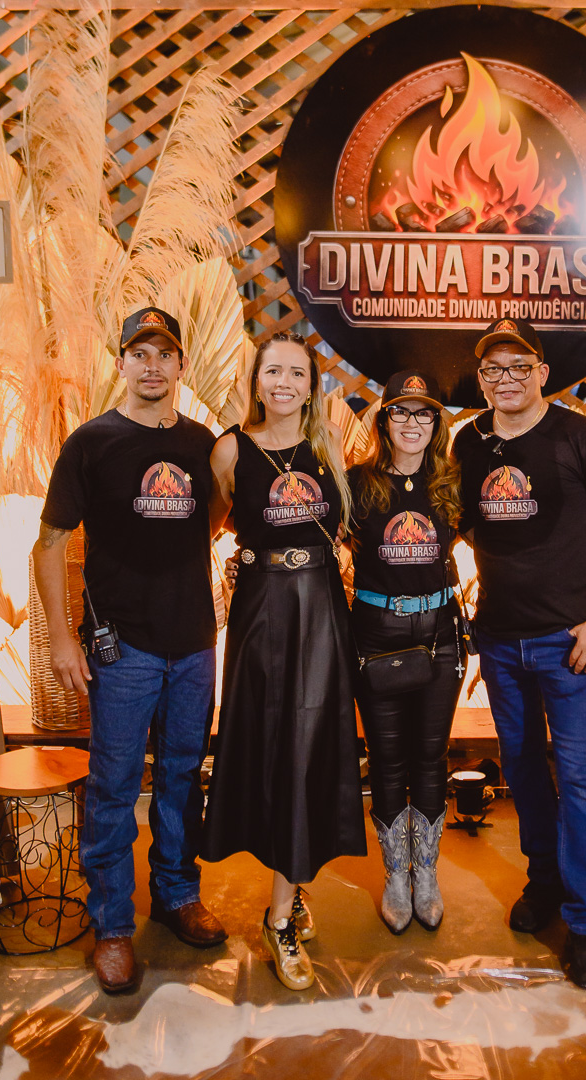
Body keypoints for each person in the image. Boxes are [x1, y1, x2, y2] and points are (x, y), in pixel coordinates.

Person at [32, 307, 227, 995]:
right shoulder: (92, 443)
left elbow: (213, 517)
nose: (152, 366)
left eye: (164, 354)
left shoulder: (203, 444)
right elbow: (50, 543)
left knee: (182, 778)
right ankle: (112, 926)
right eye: (139, 353)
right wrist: (62, 637)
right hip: (122, 650)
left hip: (194, 643)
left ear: (180, 366)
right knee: (114, 788)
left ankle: (176, 896)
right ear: (121, 363)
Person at [452, 317, 586, 988]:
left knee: (581, 777)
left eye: (517, 366)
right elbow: (456, 522)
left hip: (570, 645)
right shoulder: (467, 442)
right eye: (492, 370)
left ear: (541, 372)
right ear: (482, 380)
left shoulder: (578, 436)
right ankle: (543, 883)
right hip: (499, 639)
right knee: (523, 770)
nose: (504, 379)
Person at [200, 330, 366, 991]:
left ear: (311, 385)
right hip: (265, 611)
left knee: (312, 746)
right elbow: (209, 527)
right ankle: (279, 919)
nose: (284, 383)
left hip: (322, 606)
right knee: (277, 747)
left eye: (297, 373)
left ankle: (290, 893)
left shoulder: (328, 444)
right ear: (256, 380)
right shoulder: (230, 448)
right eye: (273, 371)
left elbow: (344, 529)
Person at [347, 371, 465, 934]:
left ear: (436, 423)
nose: (412, 422)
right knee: (388, 757)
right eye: (401, 411)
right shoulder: (357, 484)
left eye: (423, 412)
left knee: (430, 755)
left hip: (440, 636)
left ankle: (427, 873)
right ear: (384, 421)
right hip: (376, 636)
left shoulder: (452, 483)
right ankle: (397, 874)